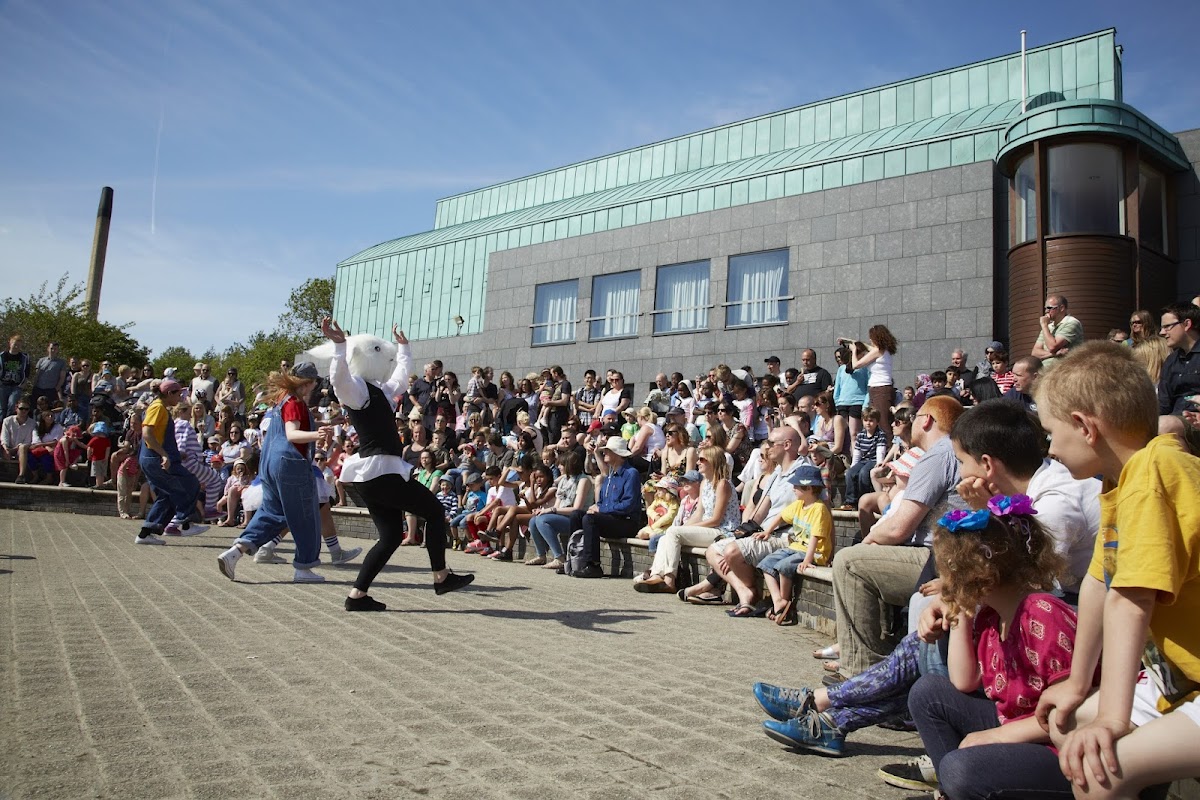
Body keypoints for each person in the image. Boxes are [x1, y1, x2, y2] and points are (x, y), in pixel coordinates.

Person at [1032, 342, 1200, 800]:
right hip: (1179, 683)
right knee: (1066, 723)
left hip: (1189, 685)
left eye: (1051, 432)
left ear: (1085, 427)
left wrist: (1111, 717)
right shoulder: (1122, 479)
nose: (1050, 448)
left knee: (1099, 772)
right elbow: (1098, 583)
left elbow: (1131, 598)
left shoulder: (1153, 472)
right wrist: (1078, 683)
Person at [304, 319, 473, 608]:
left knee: (391, 536)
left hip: (377, 475)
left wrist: (404, 348)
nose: (388, 361)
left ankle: (357, 596)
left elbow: (401, 377)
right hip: (380, 472)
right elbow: (339, 381)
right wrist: (340, 347)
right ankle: (441, 576)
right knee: (434, 511)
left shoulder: (379, 390)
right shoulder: (357, 389)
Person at [831, 395, 966, 675]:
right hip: (946, 556)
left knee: (849, 562)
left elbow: (898, 528)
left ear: (926, 421)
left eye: (915, 418)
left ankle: (859, 670)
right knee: (867, 558)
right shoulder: (953, 451)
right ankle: (886, 658)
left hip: (938, 560)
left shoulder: (937, 456)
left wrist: (869, 540)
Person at [633, 446, 739, 594]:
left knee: (674, 532)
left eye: (702, 459)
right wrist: (682, 528)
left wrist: (683, 529)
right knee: (667, 535)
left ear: (713, 461)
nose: (698, 462)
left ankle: (669, 581)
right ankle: (656, 575)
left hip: (723, 532)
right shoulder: (705, 483)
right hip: (708, 529)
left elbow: (716, 519)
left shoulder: (723, 484)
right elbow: (699, 513)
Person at [755, 464, 834, 625]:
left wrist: (808, 560)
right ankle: (778, 601)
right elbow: (781, 516)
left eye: (797, 486)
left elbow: (815, 537)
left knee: (784, 566)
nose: (793, 489)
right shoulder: (799, 504)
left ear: (809, 488)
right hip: (796, 547)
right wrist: (768, 531)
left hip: (814, 552)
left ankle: (785, 601)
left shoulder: (819, 509)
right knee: (766, 564)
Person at [563, 435, 645, 579]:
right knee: (576, 515)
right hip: (610, 518)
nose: (604, 453)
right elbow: (602, 501)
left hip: (626, 522)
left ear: (618, 454)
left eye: (608, 451)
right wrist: (596, 507)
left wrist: (601, 510)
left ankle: (593, 565)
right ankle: (573, 561)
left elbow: (628, 505)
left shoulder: (631, 473)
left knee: (590, 519)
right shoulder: (610, 474)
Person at [136, 379, 206, 543]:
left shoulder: (161, 407)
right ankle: (186, 521)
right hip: (156, 459)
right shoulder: (157, 407)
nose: (181, 397)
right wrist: (164, 455)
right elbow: (147, 434)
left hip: (154, 458)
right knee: (189, 483)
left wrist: (174, 453)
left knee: (166, 495)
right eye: (178, 394)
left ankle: (145, 534)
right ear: (169, 394)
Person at [850, 326, 898, 443]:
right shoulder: (884, 351)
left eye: (871, 337)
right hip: (879, 389)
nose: (870, 340)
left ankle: (889, 447)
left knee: (882, 422)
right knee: (877, 419)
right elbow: (869, 347)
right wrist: (853, 342)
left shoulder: (878, 351)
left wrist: (854, 351)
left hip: (880, 389)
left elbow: (856, 365)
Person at [1157, 301, 1200, 416]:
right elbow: (1163, 404)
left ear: (1187, 324)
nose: (1162, 332)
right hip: (1173, 418)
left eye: (1167, 327)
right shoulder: (1171, 361)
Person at [1033, 294, 1084, 369]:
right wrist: (1054, 354)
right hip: (1046, 370)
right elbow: (1035, 353)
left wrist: (1044, 325)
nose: (1047, 311)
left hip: (1064, 369)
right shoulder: (1048, 327)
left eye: (1050, 308)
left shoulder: (1071, 323)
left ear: (1062, 308)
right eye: (1045, 308)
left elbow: (1052, 346)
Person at [832, 345, 869, 440]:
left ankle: (855, 450)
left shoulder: (865, 368)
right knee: (844, 433)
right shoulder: (841, 369)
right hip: (842, 404)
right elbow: (837, 388)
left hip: (857, 403)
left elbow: (869, 388)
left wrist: (865, 405)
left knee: (854, 433)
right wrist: (837, 402)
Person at [31, 342, 66, 408]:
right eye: (51, 348)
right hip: (38, 388)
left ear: (57, 350)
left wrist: (56, 389)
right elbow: (36, 374)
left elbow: (62, 377)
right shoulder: (41, 360)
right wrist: (34, 386)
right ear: (48, 349)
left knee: (49, 409)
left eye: (55, 349)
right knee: (35, 408)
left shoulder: (61, 363)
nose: (53, 350)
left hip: (51, 390)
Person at [1, 334, 30, 416]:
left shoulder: (24, 357)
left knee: (12, 404)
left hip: (17, 386)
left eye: (18, 345)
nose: (16, 347)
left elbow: (27, 371)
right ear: (10, 343)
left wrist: (24, 383)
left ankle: (9, 422)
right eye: (15, 344)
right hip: (3, 385)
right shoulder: (2, 356)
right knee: (2, 407)